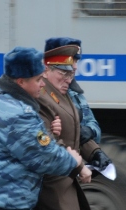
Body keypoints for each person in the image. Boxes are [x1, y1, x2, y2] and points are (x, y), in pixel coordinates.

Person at [0, 47, 85, 210]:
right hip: (5, 201)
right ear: (20, 81)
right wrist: (73, 161)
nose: (43, 85)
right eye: (37, 80)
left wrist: (43, 129)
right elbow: (45, 158)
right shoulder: (20, 114)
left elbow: (13, 137)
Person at [34, 44, 111, 210]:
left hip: (65, 180)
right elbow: (49, 140)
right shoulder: (41, 96)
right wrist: (80, 167)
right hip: (52, 184)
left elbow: (75, 130)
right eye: (64, 73)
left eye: (71, 73)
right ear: (46, 70)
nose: (69, 79)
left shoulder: (62, 93)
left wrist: (94, 152)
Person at [44, 37, 112, 170]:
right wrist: (80, 167)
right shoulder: (39, 93)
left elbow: (93, 126)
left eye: (75, 61)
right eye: (70, 60)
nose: (74, 66)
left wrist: (93, 150)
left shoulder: (74, 93)